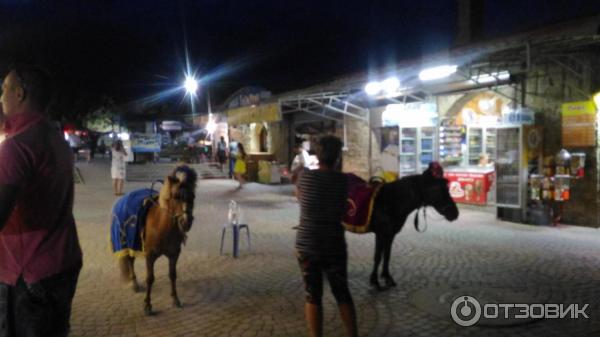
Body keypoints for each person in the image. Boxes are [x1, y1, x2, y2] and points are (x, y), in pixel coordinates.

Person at [0, 64, 83, 337]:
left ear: (19, 93)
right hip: (62, 262)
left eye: (4, 89)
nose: (0, 97)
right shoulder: (55, 139)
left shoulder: (16, 147)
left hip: (28, 273)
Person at [295, 135, 358, 337]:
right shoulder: (343, 181)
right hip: (334, 245)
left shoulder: (305, 177)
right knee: (342, 293)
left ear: (318, 155)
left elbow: (300, 198)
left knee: (313, 296)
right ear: (338, 157)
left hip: (307, 244)